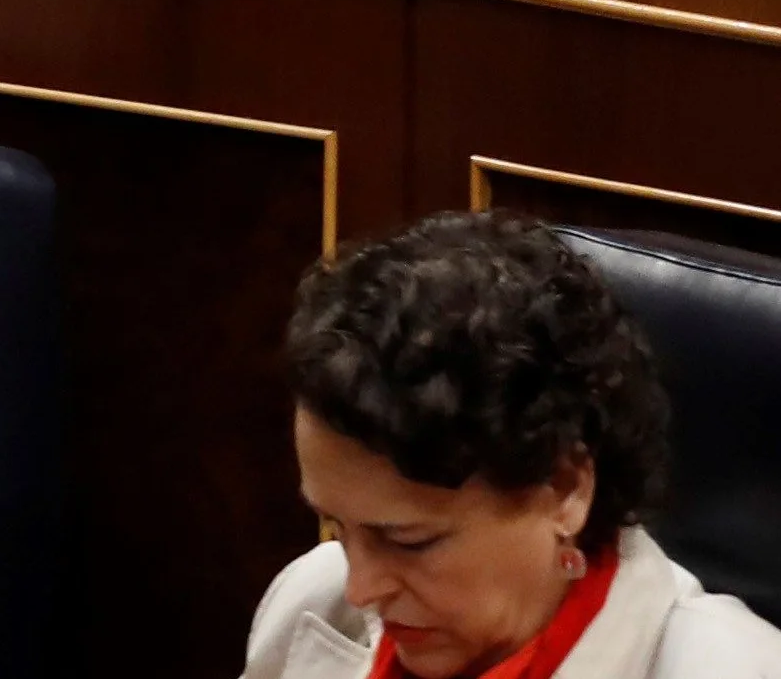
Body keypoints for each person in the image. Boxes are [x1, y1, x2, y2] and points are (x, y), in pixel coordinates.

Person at [245, 210, 781, 679]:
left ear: (565, 487)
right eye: (337, 528)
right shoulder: (313, 599)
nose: (360, 589)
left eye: (408, 541)